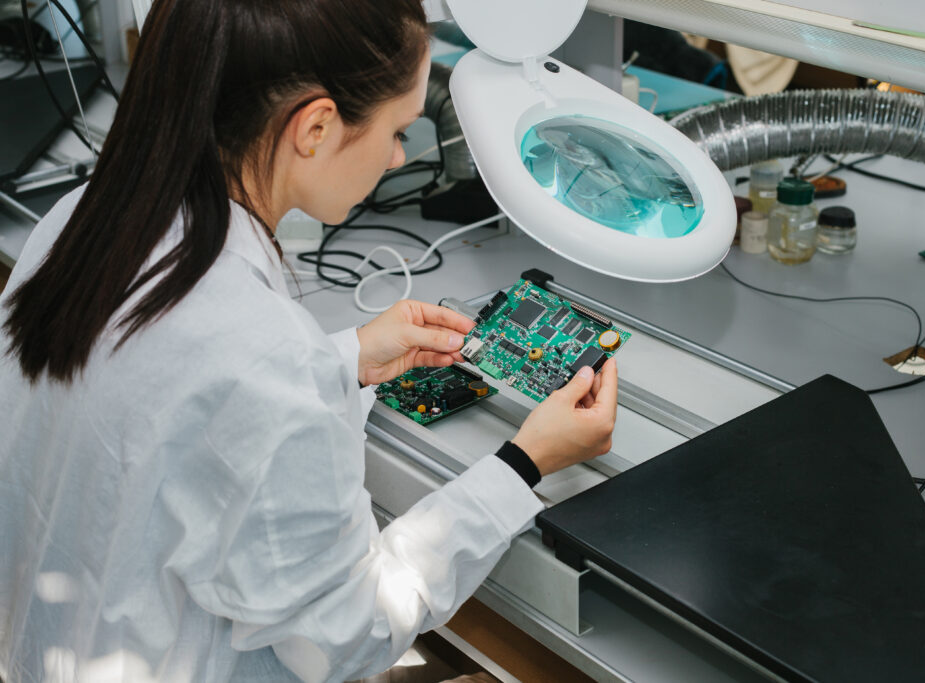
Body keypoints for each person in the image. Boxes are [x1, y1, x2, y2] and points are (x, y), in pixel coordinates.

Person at [0, 1, 618, 681]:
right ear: (316, 126)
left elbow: (175, 405)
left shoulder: (78, 219)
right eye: (396, 129)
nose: (398, 156)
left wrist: (345, 360)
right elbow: (348, 633)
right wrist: (524, 464)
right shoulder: (261, 354)